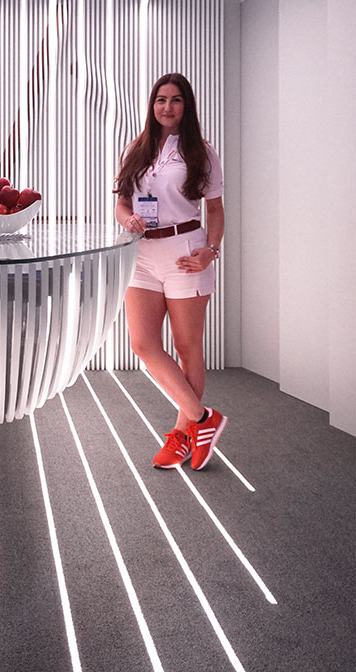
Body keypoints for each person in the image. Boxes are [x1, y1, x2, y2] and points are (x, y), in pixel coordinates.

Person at [114, 73, 226, 470]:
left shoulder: (202, 152)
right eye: (161, 100)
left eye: (176, 100)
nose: (167, 107)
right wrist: (127, 220)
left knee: (186, 347)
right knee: (143, 344)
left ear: (186, 106)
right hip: (142, 253)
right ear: (152, 105)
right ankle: (202, 419)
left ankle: (181, 437)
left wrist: (210, 251)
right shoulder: (137, 149)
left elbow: (214, 209)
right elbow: (122, 203)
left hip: (184, 251)